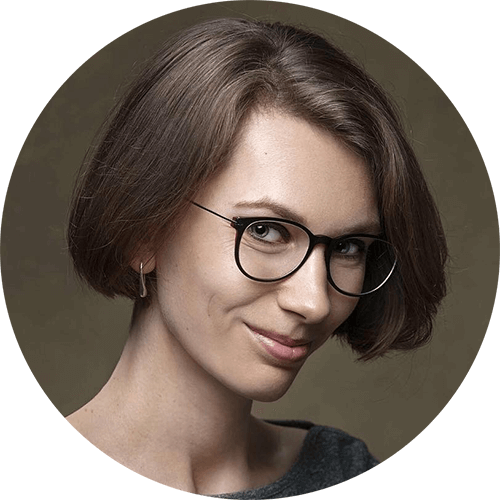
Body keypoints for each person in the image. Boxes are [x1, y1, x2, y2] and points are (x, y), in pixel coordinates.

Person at [65, 18, 448, 497]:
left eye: (348, 247)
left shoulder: (343, 470)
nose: (314, 303)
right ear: (144, 229)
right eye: (265, 231)